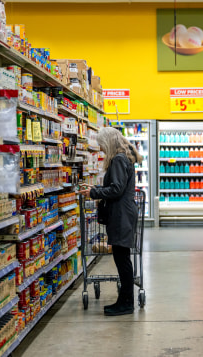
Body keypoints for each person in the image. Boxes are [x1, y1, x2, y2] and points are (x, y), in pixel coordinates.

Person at [79, 127, 142, 316]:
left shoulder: (118, 159)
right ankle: (124, 301)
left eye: (101, 145)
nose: (101, 149)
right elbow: (117, 186)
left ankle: (126, 303)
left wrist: (94, 192)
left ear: (108, 143)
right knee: (122, 258)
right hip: (122, 213)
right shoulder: (124, 158)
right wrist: (97, 188)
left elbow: (116, 189)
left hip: (121, 214)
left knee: (122, 260)